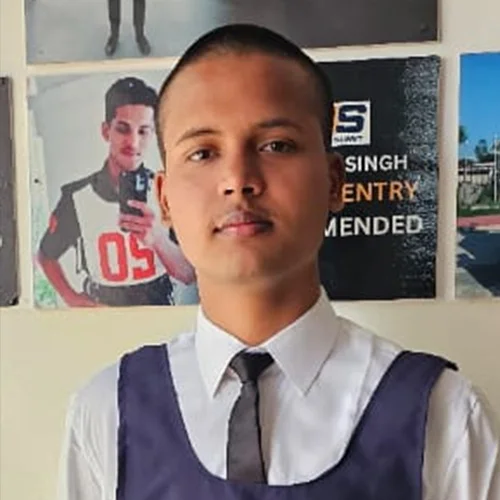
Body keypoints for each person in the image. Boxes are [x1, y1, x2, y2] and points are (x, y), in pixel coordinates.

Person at [58, 25, 499, 499]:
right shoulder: (108, 413)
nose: (238, 179)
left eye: (276, 146)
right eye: (203, 152)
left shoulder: (444, 416)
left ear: (334, 182)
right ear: (164, 199)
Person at [38, 76, 195, 307]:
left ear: (153, 135)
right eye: (123, 129)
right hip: (103, 312)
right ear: (106, 131)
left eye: (143, 131)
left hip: (158, 310)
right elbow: (46, 255)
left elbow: (189, 275)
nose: (133, 142)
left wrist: (158, 239)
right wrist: (71, 297)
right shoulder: (77, 197)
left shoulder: (168, 192)